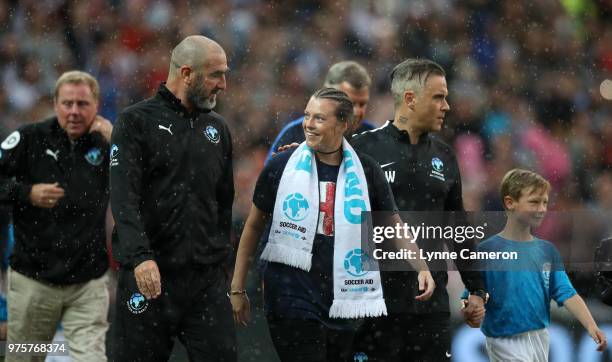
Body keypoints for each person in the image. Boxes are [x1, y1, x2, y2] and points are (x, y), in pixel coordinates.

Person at [230, 88, 435, 362]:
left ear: (343, 124)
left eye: (319, 118)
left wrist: (422, 267)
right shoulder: (281, 165)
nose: (308, 124)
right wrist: (237, 286)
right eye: (307, 116)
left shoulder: (368, 171)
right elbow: (254, 226)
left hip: (343, 301)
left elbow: (393, 226)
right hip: (290, 297)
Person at [351, 59, 487, 361]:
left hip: (430, 309)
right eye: (438, 97)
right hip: (373, 305)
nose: (447, 106)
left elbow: (458, 228)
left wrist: (476, 289)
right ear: (410, 99)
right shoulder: (362, 149)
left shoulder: (445, 156)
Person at [109, 35, 235, 361]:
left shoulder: (217, 129)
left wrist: (220, 262)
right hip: (150, 276)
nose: (224, 84)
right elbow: (124, 198)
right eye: (216, 75)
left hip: (204, 282)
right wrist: (140, 257)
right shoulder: (136, 121)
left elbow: (223, 202)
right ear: (187, 73)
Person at [0, 70, 113, 361]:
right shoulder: (28, 139)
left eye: (82, 104)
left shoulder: (107, 145)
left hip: (87, 285)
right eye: (67, 103)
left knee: (90, 358)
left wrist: (118, 142)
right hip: (33, 281)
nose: (74, 111)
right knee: (25, 357)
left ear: (97, 105)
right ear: (55, 104)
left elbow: (148, 182)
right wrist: (27, 193)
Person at [472, 168, 607, 361]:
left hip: (539, 337)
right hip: (503, 338)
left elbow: (566, 292)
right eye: (534, 202)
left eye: (544, 202)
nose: (542, 209)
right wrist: (469, 307)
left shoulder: (546, 251)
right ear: (510, 203)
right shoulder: (488, 250)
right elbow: (473, 292)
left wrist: (592, 326)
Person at [266, 61, 375, 162]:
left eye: (362, 104)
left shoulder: (376, 139)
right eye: (350, 103)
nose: (356, 112)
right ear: (327, 94)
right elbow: (271, 179)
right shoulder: (294, 134)